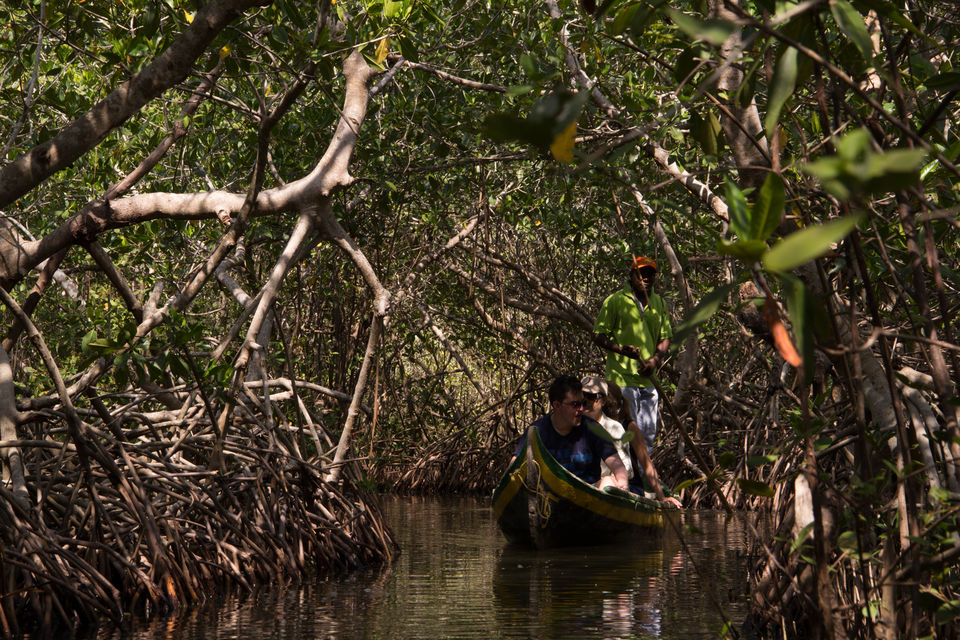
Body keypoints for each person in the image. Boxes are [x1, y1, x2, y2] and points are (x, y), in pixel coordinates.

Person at [592, 255, 673, 455]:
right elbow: (598, 335)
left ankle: (644, 480)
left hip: (648, 381)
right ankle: (624, 479)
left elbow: (665, 339)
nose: (645, 278)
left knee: (648, 437)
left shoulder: (660, 304)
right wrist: (620, 350)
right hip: (621, 380)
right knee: (623, 434)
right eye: (641, 273)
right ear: (632, 275)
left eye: (649, 274)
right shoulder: (616, 301)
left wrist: (654, 361)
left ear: (655, 277)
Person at [511, 375, 629, 491]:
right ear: (557, 405)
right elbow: (514, 467)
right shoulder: (538, 430)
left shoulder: (593, 429)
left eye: (583, 403)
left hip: (589, 496)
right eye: (575, 405)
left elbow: (616, 463)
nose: (581, 409)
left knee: (609, 482)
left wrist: (622, 483)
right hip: (548, 497)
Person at [582, 375, 681, 508]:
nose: (585, 402)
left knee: (608, 482)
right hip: (594, 484)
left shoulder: (624, 426)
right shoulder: (579, 423)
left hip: (626, 485)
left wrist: (661, 496)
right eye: (582, 397)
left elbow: (646, 464)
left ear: (605, 401)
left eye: (591, 397)